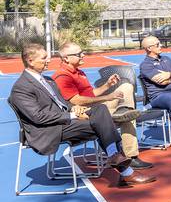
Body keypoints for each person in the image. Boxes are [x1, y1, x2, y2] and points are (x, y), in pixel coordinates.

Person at [9, 43, 155, 187]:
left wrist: (75, 110)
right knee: (103, 125)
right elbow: (39, 117)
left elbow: (64, 104)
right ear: (30, 60)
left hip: (63, 121)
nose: (49, 60)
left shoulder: (47, 80)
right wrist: (72, 116)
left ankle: (117, 159)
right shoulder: (21, 87)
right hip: (49, 130)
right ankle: (124, 168)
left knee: (100, 110)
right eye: (44, 58)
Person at [54, 42, 154, 171]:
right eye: (78, 54)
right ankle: (131, 155)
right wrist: (107, 97)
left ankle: (122, 110)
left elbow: (91, 94)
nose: (83, 55)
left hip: (97, 105)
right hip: (87, 112)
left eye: (82, 52)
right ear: (66, 58)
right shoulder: (63, 76)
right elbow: (77, 100)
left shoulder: (79, 72)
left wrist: (108, 85)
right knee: (127, 119)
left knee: (127, 86)